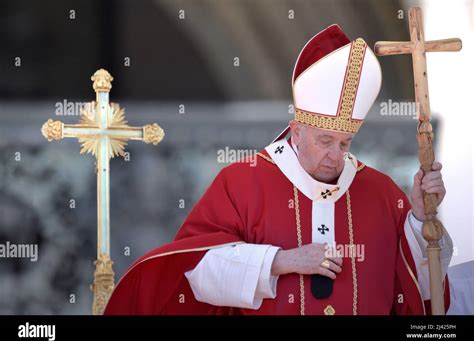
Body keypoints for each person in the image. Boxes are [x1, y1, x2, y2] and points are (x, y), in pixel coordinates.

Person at [104, 24, 453, 315]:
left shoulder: (381, 192)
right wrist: (280, 261)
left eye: (344, 143)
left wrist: (423, 221)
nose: (335, 155)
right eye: (324, 140)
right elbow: (200, 271)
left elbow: (419, 288)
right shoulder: (244, 182)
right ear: (297, 130)